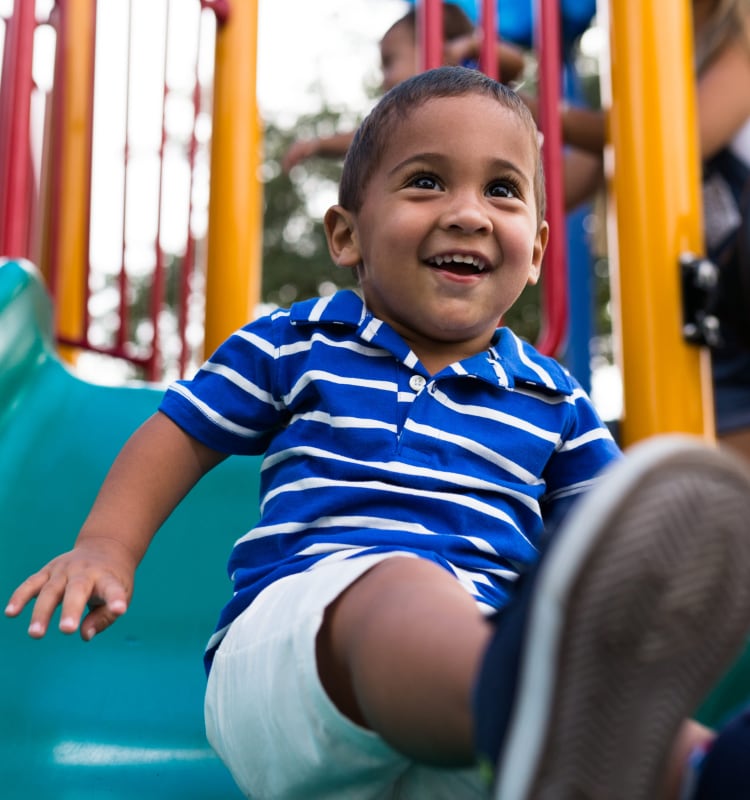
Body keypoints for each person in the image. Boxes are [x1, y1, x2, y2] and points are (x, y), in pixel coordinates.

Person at [6, 67, 750, 800]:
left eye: (503, 190)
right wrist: (106, 546)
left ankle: (700, 773)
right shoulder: (297, 341)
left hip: (466, 717)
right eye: (427, 182)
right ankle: (536, 703)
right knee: (400, 584)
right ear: (346, 235)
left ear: (539, 253)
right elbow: (182, 432)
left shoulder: (553, 397)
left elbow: (612, 548)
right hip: (301, 661)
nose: (469, 213)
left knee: (596, 706)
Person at [522, 0, 750, 462]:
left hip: (737, 286)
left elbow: (679, 139)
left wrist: (542, 109)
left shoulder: (740, 42)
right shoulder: (645, 61)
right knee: (712, 483)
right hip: (704, 305)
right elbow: (569, 183)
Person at [281, 3, 526, 174]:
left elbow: (516, 65)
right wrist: (317, 145)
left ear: (436, 50)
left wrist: (472, 45)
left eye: (389, 62)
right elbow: (364, 137)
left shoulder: (476, 83)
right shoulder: (410, 114)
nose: (383, 79)